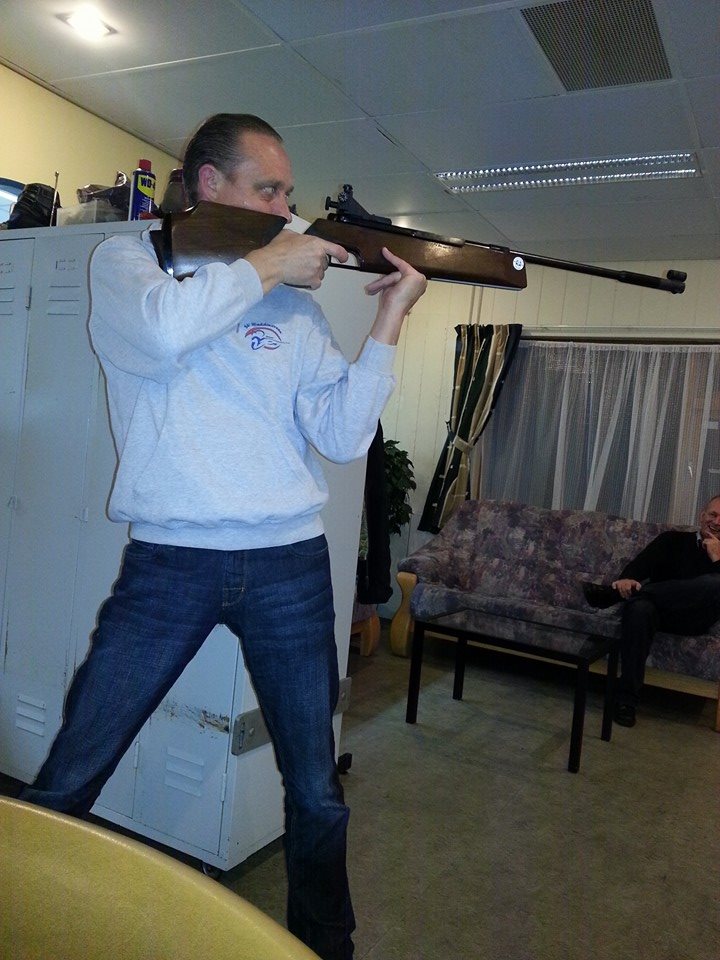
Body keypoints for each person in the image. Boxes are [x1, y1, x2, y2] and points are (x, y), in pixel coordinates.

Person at [19, 113, 427, 960]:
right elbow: (165, 331)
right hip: (171, 564)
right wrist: (271, 260)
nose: (285, 208)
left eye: (288, 193)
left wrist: (389, 321)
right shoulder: (129, 261)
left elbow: (343, 435)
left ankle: (327, 948)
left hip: (290, 565)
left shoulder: (291, 308)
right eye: (268, 190)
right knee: (72, 772)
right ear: (210, 183)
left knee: (316, 791)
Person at [583, 495, 720, 728]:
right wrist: (627, 580)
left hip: (693, 619)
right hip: (657, 612)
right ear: (701, 516)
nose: (717, 522)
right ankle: (626, 702)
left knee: (716, 582)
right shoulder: (672, 540)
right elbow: (637, 568)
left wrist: (717, 558)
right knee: (639, 609)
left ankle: (615, 595)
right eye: (713, 515)